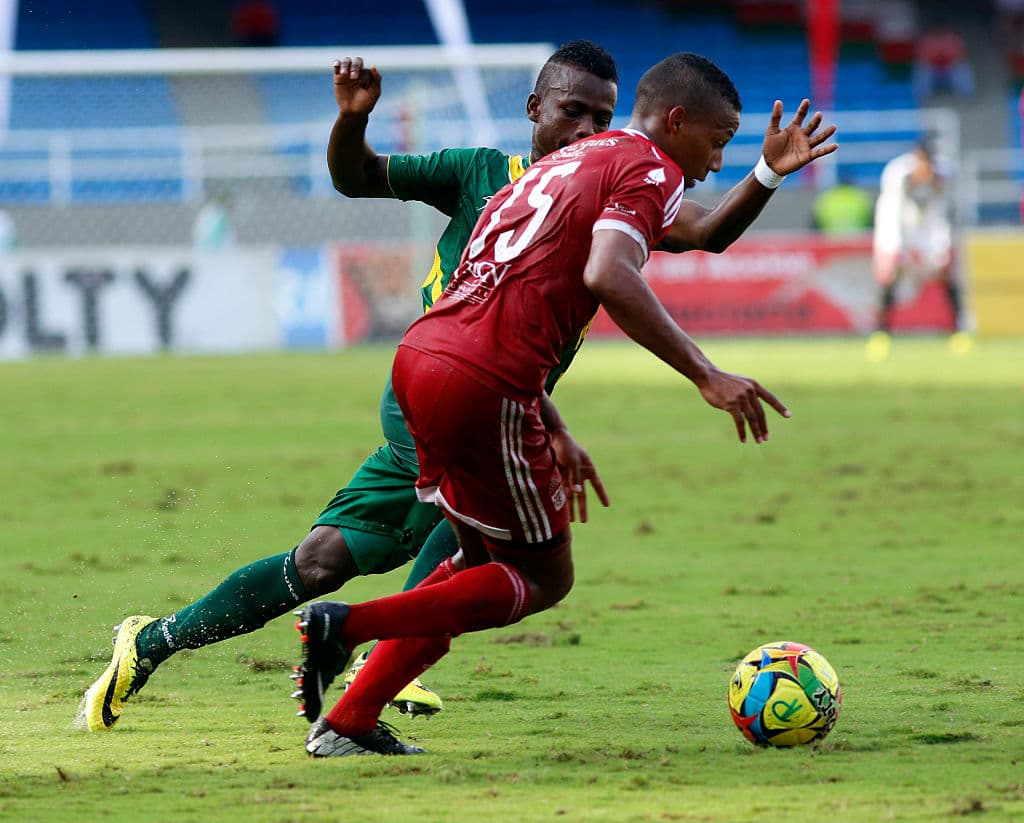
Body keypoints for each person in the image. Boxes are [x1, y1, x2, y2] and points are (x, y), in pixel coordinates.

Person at [295, 52, 838, 757]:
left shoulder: (562, 166)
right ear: (677, 122)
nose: (715, 160)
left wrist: (548, 418)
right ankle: (346, 626)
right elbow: (608, 273)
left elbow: (501, 286)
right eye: (718, 141)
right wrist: (704, 372)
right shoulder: (648, 168)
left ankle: (350, 719)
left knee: (476, 560)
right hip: (485, 380)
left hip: (426, 357)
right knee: (542, 577)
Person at [78, 40, 620, 734]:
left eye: (601, 120)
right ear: (533, 108)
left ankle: (150, 641)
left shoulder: (609, 200)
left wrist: (757, 174)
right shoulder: (479, 172)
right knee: (477, 532)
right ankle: (383, 666)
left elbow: (691, 232)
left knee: (320, 562)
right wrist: (352, 120)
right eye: (572, 111)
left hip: (498, 404)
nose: (585, 132)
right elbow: (356, 175)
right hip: (432, 392)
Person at [866, 138, 971, 361]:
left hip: (927, 228)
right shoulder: (897, 174)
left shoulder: (944, 174)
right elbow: (891, 213)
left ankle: (959, 330)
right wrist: (895, 249)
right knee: (890, 275)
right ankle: (880, 334)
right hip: (896, 225)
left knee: (946, 272)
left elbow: (940, 213)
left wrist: (941, 247)